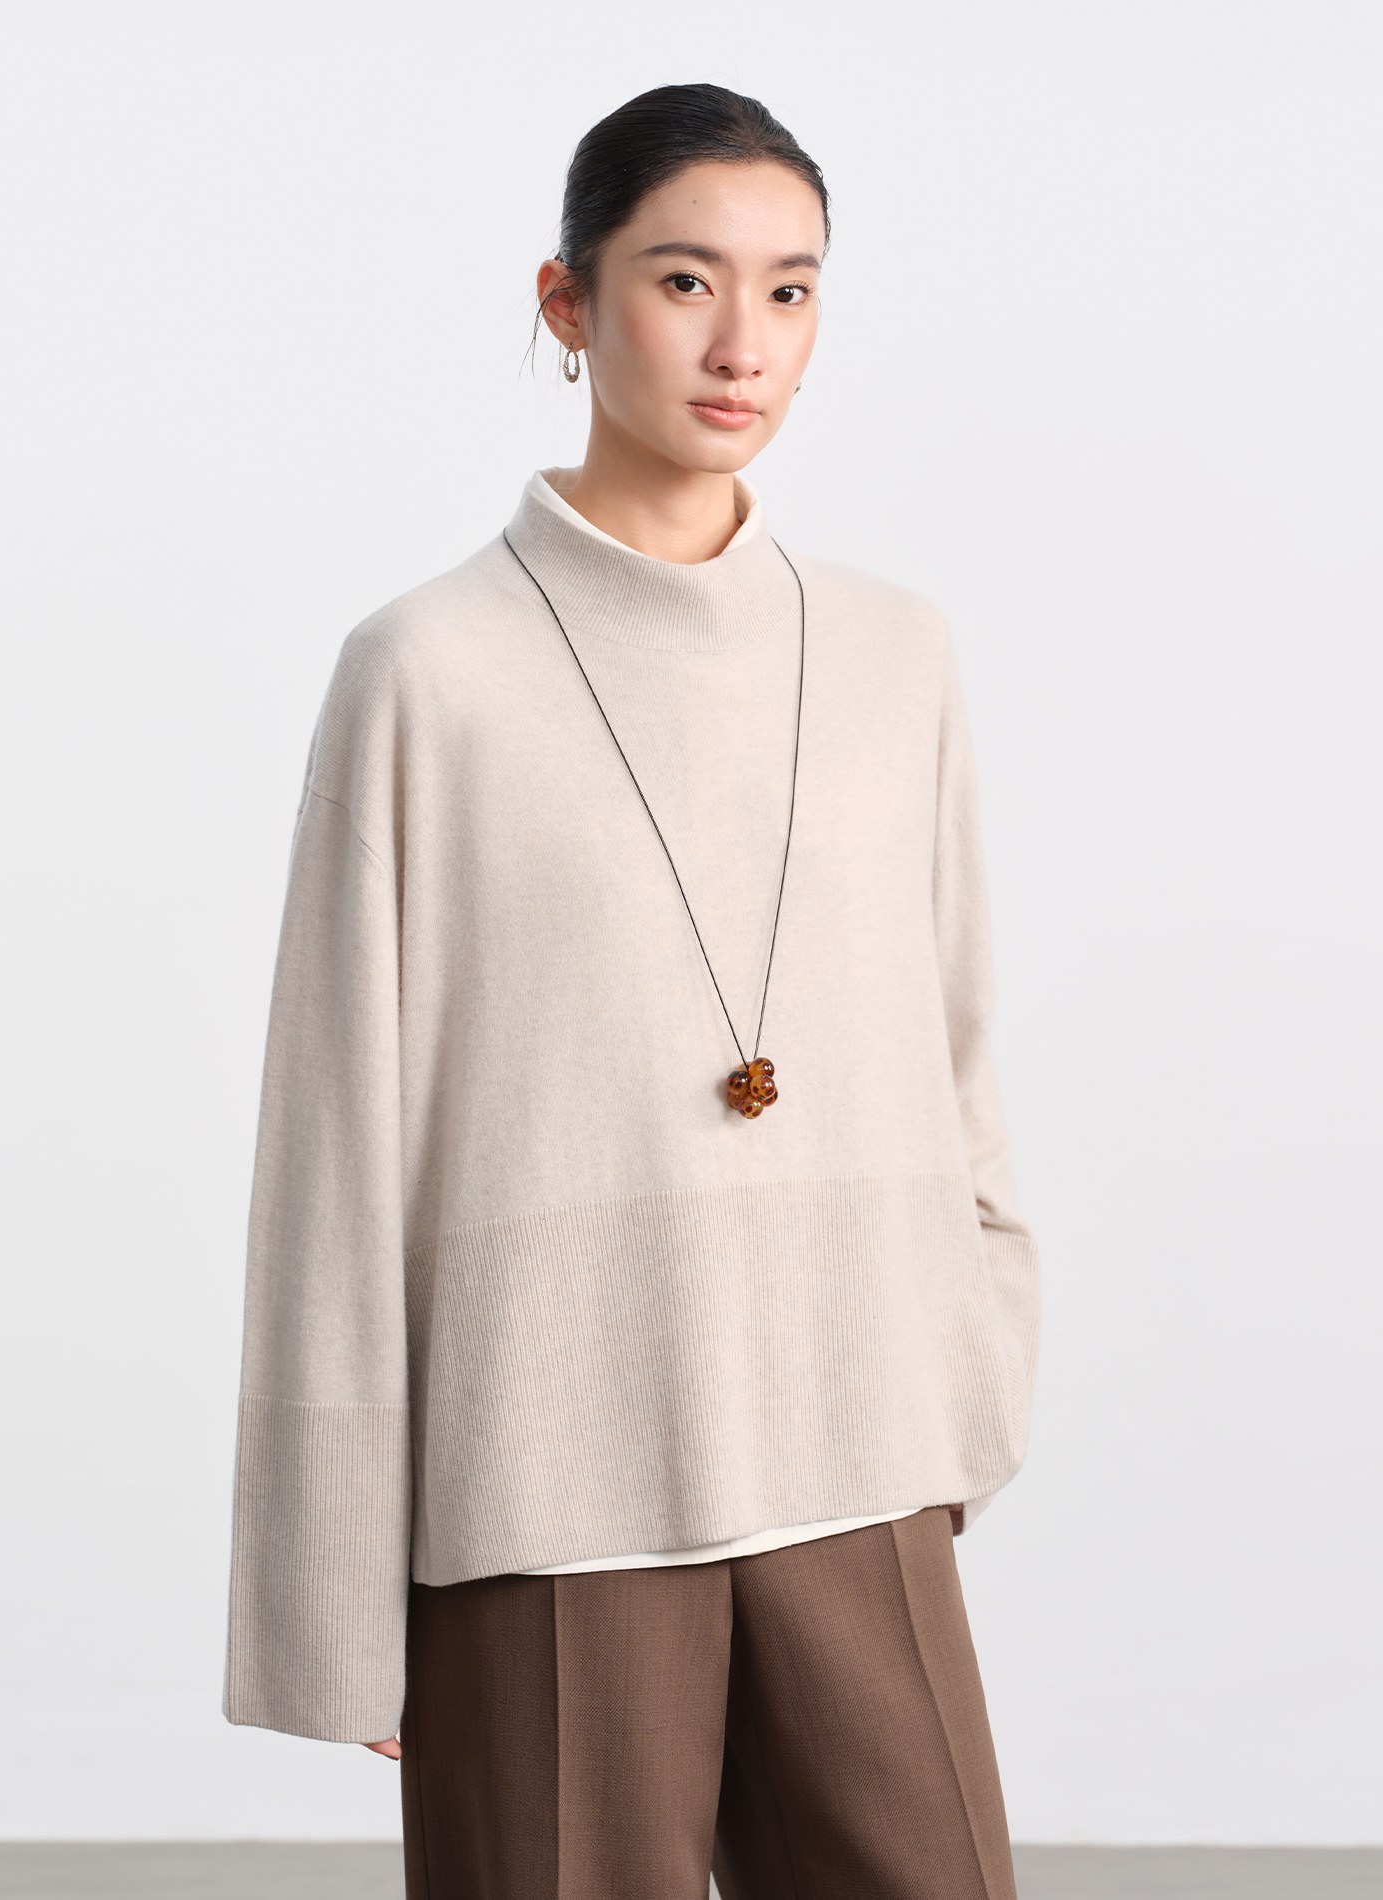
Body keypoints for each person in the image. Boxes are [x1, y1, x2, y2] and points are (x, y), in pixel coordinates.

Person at [222, 80, 1042, 1900]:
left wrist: (971, 1376)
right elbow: (336, 1146)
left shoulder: (894, 652)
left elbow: (960, 1049)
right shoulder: (425, 671)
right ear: (567, 301)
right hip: (546, 1494)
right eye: (685, 281)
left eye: (791, 289)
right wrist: (338, 1582)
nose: (744, 343)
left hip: (859, 1449)